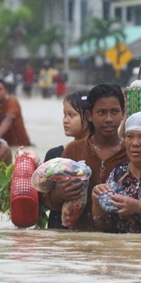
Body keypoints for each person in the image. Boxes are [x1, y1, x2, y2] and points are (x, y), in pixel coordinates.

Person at [45, 84, 128, 231]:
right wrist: (58, 195)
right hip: (79, 241)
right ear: (90, 115)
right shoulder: (73, 150)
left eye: (115, 112)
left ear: (123, 113)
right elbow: (49, 202)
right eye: (101, 112)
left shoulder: (131, 151)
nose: (109, 119)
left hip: (118, 239)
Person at [43, 90, 90, 229]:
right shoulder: (54, 155)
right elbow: (42, 201)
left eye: (72, 115)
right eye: (64, 114)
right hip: (58, 232)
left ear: (89, 117)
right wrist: (57, 195)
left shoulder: (101, 154)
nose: (65, 120)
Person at [0, 79, 32, 147]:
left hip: (21, 147)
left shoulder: (12, 102)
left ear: (6, 91)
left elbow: (8, 119)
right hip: (3, 148)